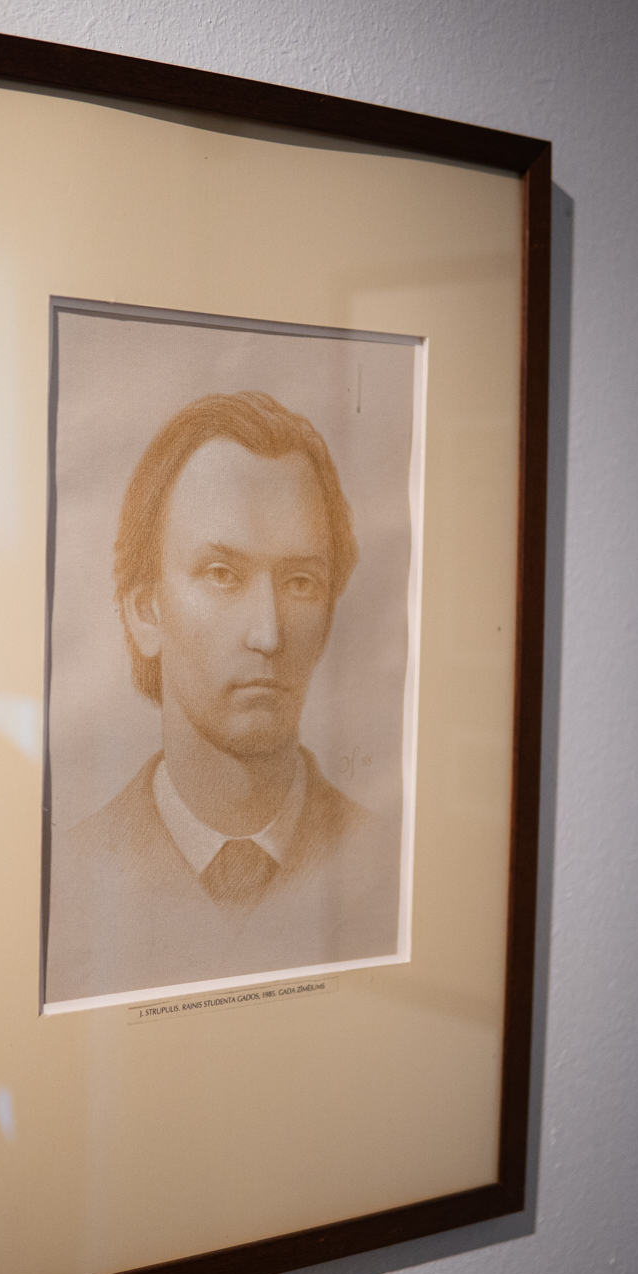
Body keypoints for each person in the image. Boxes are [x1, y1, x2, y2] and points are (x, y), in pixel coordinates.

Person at [45, 391, 397, 1002]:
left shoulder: (392, 864)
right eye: (222, 574)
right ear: (145, 610)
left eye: (301, 582)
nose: (268, 633)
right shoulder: (65, 879)